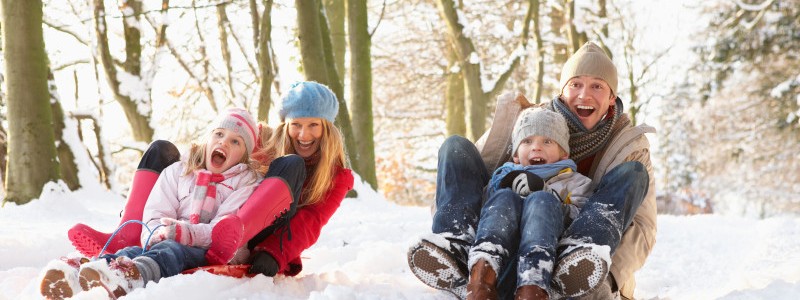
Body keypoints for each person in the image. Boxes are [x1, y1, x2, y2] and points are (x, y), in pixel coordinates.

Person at [407, 41, 655, 300]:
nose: (584, 95)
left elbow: (643, 228)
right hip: (502, 245)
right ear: (562, 91)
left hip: (564, 252)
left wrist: (607, 279)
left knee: (633, 173)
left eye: (597, 86)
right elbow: (460, 191)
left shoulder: (629, 145)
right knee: (455, 147)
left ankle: (581, 256)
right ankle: (457, 246)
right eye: (576, 84)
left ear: (611, 96)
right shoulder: (528, 124)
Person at [66, 81, 353, 277]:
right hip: (215, 220)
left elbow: (310, 223)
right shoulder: (262, 139)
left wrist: (275, 252)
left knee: (290, 165)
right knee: (162, 150)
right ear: (286, 124)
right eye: (296, 125)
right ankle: (129, 233)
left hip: (260, 230)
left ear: (327, 128)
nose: (304, 135)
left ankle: (227, 236)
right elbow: (222, 152)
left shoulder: (337, 175)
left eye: (313, 125)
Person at [40, 108, 262, 299]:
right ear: (208, 139)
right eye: (219, 134)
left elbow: (224, 228)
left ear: (243, 156)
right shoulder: (179, 171)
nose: (224, 142)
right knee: (134, 249)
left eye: (235, 141)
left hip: (201, 249)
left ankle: (131, 276)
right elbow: (156, 211)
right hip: (166, 237)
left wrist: (187, 234)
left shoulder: (244, 183)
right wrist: (156, 233)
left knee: (170, 251)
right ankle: (86, 270)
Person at [466, 107, 593, 299]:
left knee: (541, 200)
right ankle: (481, 278)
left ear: (564, 153)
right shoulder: (501, 177)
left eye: (547, 141)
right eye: (527, 141)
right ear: (516, 155)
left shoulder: (575, 182)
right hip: (503, 266)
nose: (536, 147)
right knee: (504, 198)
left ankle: (532, 285)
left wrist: (548, 195)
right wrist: (499, 190)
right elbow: (481, 214)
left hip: (545, 263)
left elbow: (582, 219)